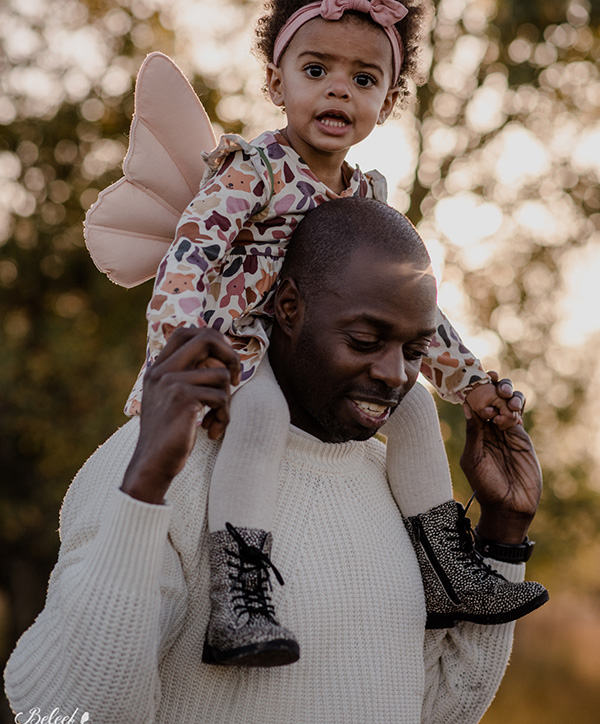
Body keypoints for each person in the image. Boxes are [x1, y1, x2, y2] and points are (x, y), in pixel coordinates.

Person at [109, 0, 546, 666]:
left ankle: (444, 567)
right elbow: (189, 255)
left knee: (406, 403)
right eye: (316, 71)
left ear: (390, 101)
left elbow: (413, 319)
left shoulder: (370, 202)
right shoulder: (252, 170)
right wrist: (179, 347)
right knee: (259, 414)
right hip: (245, 344)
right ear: (277, 82)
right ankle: (239, 595)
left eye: (363, 78)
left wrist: (470, 384)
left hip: (324, 354)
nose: (338, 92)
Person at [5, 198, 546, 723]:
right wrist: (146, 482)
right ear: (287, 307)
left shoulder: (396, 489)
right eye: (363, 340)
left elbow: (437, 712)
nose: (394, 374)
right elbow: (67, 712)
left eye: (412, 352)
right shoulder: (165, 469)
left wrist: (502, 531)